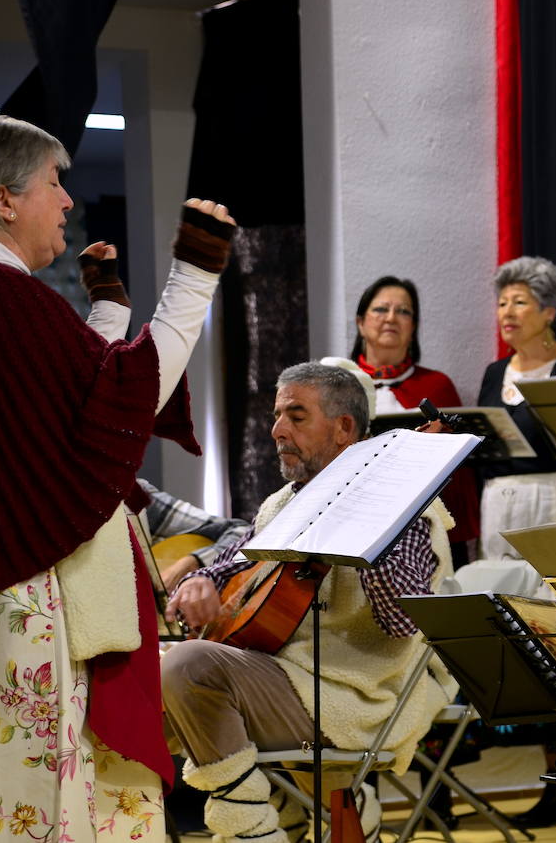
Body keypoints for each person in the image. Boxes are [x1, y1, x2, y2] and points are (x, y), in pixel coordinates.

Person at [0, 116, 233, 841]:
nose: (67, 200)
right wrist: (196, 272)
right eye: (54, 183)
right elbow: (125, 397)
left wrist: (104, 311)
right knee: (8, 810)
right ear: (6, 200)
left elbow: (69, 406)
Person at [161, 360, 456, 843]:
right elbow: (237, 562)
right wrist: (201, 582)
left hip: (355, 691)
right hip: (282, 675)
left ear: (343, 428)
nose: (277, 430)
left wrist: (377, 513)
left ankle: (255, 829)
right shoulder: (283, 503)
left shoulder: (411, 512)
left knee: (189, 666)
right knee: (135, 685)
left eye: (296, 417)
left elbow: (403, 621)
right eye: (277, 415)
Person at [474, 256, 556, 563]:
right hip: (495, 507)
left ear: (549, 312)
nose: (506, 312)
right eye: (502, 303)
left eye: (519, 302)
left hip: (551, 503)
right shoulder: (494, 372)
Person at [350, 275, 480, 564]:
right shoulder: (341, 386)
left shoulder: (437, 386)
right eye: (381, 309)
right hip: (358, 524)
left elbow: (459, 476)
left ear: (414, 327)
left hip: (428, 527)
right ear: (361, 322)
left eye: (404, 311)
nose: (391, 318)